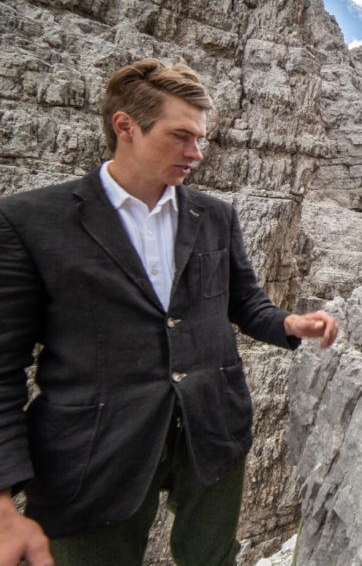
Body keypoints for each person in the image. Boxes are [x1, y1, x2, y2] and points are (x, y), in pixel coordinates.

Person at [0, 58, 339, 566]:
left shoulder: (214, 215)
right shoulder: (31, 220)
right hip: (94, 453)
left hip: (213, 427)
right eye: (181, 136)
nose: (196, 153)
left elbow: (243, 301)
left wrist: (289, 323)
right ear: (125, 126)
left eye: (200, 138)